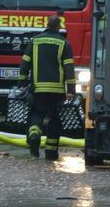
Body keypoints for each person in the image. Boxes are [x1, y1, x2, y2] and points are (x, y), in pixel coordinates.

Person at [18, 15, 75, 160]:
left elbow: (25, 64)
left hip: (38, 88)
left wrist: (22, 85)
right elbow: (69, 68)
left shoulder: (35, 41)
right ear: (59, 27)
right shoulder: (64, 43)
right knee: (55, 119)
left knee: (37, 113)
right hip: (57, 90)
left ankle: (34, 136)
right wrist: (71, 90)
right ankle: (50, 152)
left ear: (47, 25)